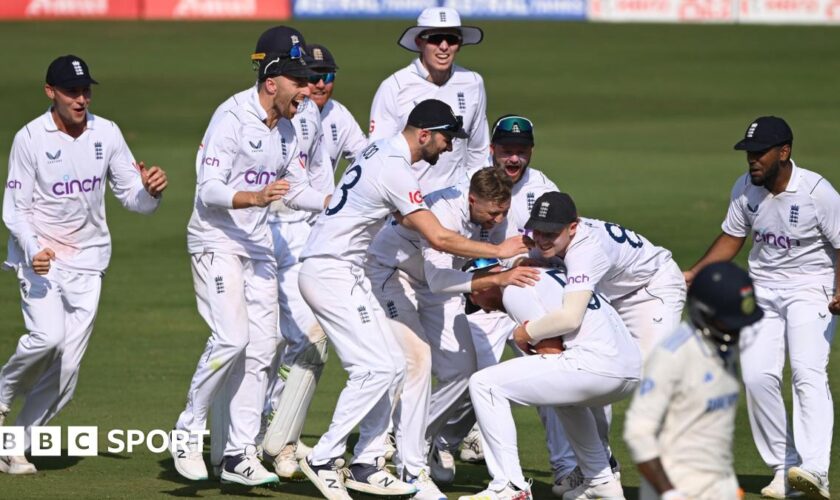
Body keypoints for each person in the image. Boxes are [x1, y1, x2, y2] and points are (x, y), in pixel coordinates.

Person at [296, 99, 529, 500]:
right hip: (338, 270)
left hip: (344, 268)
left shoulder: (382, 151)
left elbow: (402, 215)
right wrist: (499, 254)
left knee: (392, 366)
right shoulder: (396, 167)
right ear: (424, 134)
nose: (448, 147)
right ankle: (325, 456)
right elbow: (438, 239)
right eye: (444, 139)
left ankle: (370, 462)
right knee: (380, 368)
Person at [171, 26, 325, 487]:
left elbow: (295, 188)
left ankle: (238, 453)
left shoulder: (291, 127)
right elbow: (210, 189)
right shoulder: (231, 117)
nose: (309, 89)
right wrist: (255, 198)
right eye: (300, 81)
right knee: (232, 339)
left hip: (257, 246)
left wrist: (341, 204)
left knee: (263, 348)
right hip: (216, 241)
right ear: (272, 82)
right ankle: (187, 429)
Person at [0, 55, 167, 474]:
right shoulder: (30, 139)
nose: (81, 99)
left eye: (86, 91)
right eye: (72, 91)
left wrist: (150, 191)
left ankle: (13, 444)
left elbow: (134, 199)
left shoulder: (106, 133)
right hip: (41, 259)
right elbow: (15, 209)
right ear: (50, 92)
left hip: (89, 262)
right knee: (47, 337)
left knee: (68, 371)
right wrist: (32, 247)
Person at [683, 116, 840, 500]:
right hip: (764, 290)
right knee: (757, 377)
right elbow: (732, 237)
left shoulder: (818, 192)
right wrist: (694, 273)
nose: (752, 161)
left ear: (784, 152)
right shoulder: (745, 189)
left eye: (759, 154)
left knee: (806, 372)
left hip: (811, 290)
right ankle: (784, 467)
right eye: (749, 154)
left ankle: (815, 468)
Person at [365, 167, 539, 499]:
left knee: (464, 372)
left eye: (503, 211)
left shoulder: (495, 215)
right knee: (416, 363)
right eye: (492, 212)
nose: (498, 218)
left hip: (435, 285)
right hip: (391, 274)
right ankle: (406, 465)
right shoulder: (444, 211)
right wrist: (497, 274)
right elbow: (440, 280)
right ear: (473, 199)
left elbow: (455, 276)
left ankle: (418, 441)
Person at [461, 261, 641, 500]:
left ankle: (510, 487)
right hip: (630, 370)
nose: (483, 310)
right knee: (560, 393)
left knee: (485, 384)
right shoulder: (552, 275)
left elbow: (551, 350)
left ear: (480, 288)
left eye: (474, 301)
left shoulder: (516, 288)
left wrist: (523, 337)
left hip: (596, 368)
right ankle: (600, 481)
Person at [624, 261, 763, 500]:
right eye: (729, 322)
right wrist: (669, 493)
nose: (737, 331)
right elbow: (638, 433)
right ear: (703, 313)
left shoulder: (725, 347)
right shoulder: (673, 356)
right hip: (677, 486)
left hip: (721, 483)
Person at [369, 6, 489, 194]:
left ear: (459, 43)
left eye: (451, 39)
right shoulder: (394, 86)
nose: (443, 46)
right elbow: (379, 152)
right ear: (419, 42)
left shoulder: (473, 82)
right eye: (435, 39)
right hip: (408, 203)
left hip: (457, 201)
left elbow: (478, 151)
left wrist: (470, 195)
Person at [305, 43, 368, 172]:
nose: (321, 85)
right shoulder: (285, 114)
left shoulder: (338, 113)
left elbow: (365, 156)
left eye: (328, 77)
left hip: (325, 192)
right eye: (313, 77)